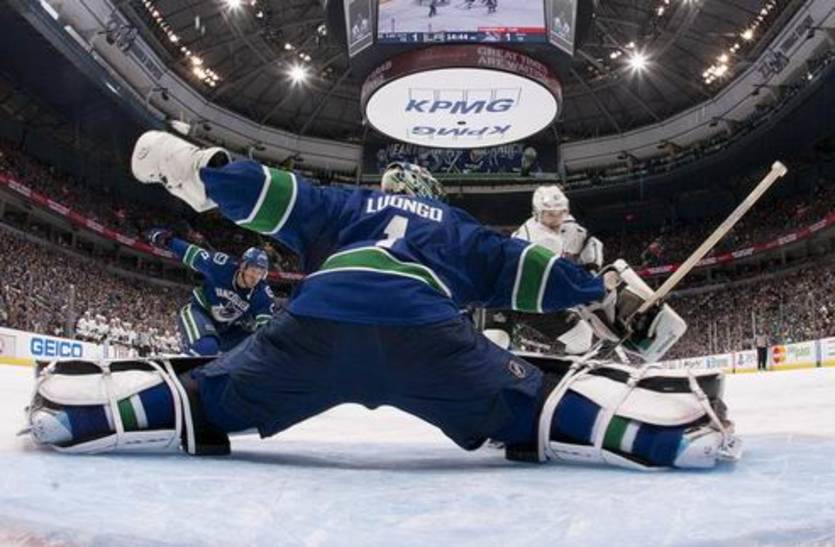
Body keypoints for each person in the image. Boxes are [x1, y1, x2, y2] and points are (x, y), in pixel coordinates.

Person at [23, 130, 739, 471]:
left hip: (318, 325)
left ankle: (80, 411)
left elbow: (268, 192)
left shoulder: (346, 205)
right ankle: (665, 432)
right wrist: (605, 292)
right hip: (425, 334)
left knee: (212, 396)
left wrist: (199, 167)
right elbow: (535, 273)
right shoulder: (457, 227)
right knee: (530, 404)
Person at [145, 228, 276, 356]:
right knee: (207, 347)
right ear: (243, 266)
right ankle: (190, 355)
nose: (255, 277)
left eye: (260, 273)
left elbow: (268, 329)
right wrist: (168, 241)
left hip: (225, 330)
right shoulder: (221, 266)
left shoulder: (263, 295)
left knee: (255, 346)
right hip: (199, 310)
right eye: (253, 270)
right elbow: (193, 254)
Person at [510, 186, 603, 355]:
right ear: (537, 213)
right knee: (496, 339)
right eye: (550, 214)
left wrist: (592, 267)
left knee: (583, 338)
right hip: (523, 297)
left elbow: (590, 242)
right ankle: (529, 345)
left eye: (561, 212)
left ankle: (553, 353)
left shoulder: (568, 226)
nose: (556, 218)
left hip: (545, 294)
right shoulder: (530, 238)